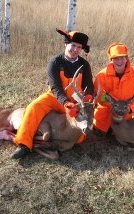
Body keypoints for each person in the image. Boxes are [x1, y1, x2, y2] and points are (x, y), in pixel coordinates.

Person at [11, 29, 94, 159]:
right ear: (66, 44)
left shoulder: (84, 64)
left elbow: (89, 86)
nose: (75, 49)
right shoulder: (54, 62)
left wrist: (88, 97)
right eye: (73, 45)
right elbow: (55, 87)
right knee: (34, 107)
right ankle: (24, 144)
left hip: (75, 101)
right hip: (55, 97)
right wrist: (66, 103)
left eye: (79, 47)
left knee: (80, 139)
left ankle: (53, 141)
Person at [93, 42, 134, 134]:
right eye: (116, 58)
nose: (119, 61)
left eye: (122, 58)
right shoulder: (101, 75)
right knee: (100, 133)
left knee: (123, 135)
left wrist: (130, 108)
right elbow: (99, 95)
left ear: (126, 58)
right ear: (111, 60)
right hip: (103, 119)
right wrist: (112, 104)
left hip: (124, 116)